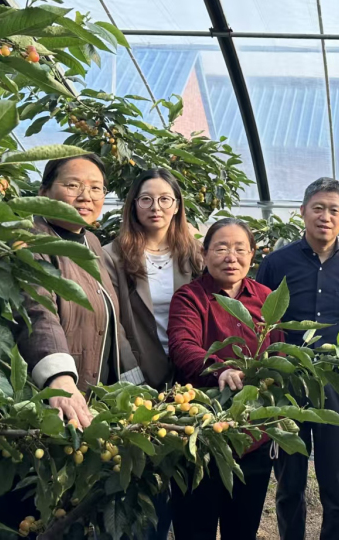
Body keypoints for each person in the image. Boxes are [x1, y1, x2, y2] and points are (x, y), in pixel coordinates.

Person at [0, 155, 144, 535]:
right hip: (37, 406)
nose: (86, 196)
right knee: (27, 515)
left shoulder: (90, 242)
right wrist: (58, 377)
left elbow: (111, 322)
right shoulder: (28, 237)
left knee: (68, 515)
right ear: (44, 191)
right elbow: (37, 309)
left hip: (82, 406)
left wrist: (135, 390)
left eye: (96, 188)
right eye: (73, 185)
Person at [256, 177, 339, 540]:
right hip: (287, 387)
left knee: (337, 485)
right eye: (318, 208)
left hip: (338, 388)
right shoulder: (276, 263)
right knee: (289, 483)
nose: (325, 216)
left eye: (333, 210)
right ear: (303, 211)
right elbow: (262, 324)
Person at [167, 217, 284, 540]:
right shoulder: (190, 297)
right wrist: (221, 369)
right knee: (194, 529)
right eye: (221, 248)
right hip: (198, 432)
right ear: (204, 254)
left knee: (242, 530)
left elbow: (278, 352)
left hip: (251, 435)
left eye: (239, 249)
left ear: (252, 254)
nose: (231, 257)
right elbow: (182, 346)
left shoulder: (266, 298)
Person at [104, 167, 202, 540]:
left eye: (164, 199)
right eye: (146, 199)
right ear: (133, 205)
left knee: (184, 461)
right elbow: (113, 320)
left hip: (187, 374)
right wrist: (131, 374)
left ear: (177, 206)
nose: (155, 207)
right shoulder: (113, 256)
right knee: (143, 465)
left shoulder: (194, 254)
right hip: (138, 374)